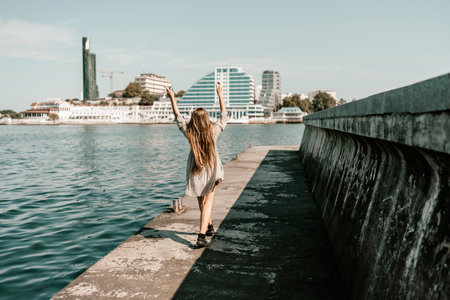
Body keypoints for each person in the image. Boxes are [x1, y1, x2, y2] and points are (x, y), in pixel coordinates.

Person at [165, 82, 228, 248]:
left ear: (193, 120)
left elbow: (178, 117)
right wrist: (220, 94)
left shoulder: (190, 133)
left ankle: (209, 227)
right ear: (206, 119)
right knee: (208, 202)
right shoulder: (213, 130)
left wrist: (172, 97)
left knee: (202, 201)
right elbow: (224, 115)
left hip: (196, 170)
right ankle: (201, 236)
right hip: (212, 170)